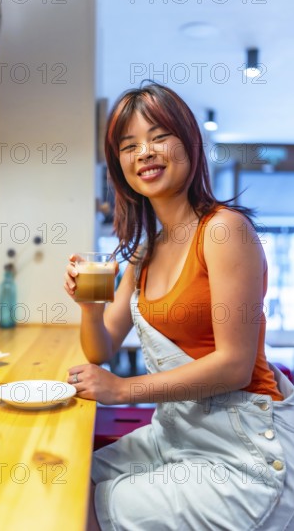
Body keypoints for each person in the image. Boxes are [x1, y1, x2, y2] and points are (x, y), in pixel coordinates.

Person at [64, 83, 294, 531]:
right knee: (66, 479)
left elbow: (235, 367)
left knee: (84, 511)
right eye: (129, 146)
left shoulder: (224, 231)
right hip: (180, 436)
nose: (144, 153)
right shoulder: (143, 253)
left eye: (158, 136)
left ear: (189, 144)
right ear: (120, 167)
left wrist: (121, 390)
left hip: (247, 452)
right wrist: (90, 306)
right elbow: (100, 351)